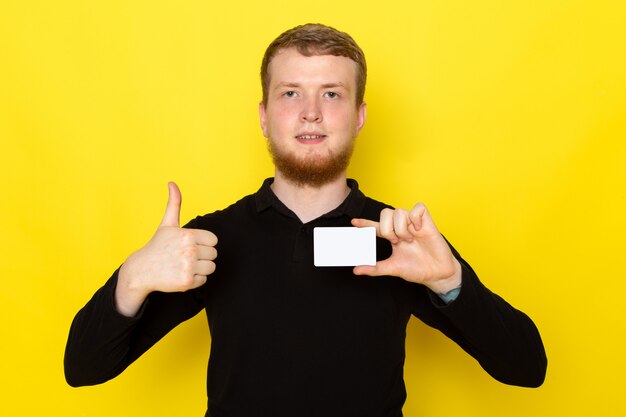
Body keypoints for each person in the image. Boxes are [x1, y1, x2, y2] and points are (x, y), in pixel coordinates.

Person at [64, 23, 547, 417]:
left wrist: (450, 283)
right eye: (291, 93)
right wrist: (133, 279)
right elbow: (83, 368)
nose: (311, 113)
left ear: (359, 116)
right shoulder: (212, 240)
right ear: (264, 114)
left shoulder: (399, 239)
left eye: (332, 94)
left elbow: (527, 367)